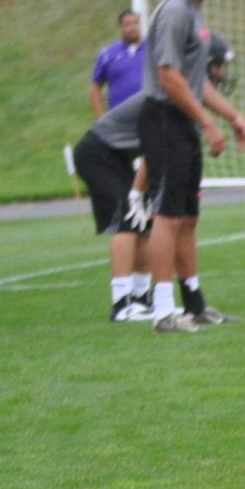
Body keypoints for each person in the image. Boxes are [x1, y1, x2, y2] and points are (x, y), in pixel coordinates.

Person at [138, 0, 245, 334]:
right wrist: (207, 122)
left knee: (188, 217)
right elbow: (169, 77)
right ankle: (162, 312)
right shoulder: (176, 12)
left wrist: (232, 116)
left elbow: (195, 81)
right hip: (165, 119)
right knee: (168, 217)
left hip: (181, 120)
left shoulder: (193, 11)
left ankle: (194, 303)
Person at [76, 90, 154, 321]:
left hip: (119, 155)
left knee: (144, 221)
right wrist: (137, 194)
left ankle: (141, 298)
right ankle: (122, 303)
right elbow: (153, 153)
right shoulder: (166, 98)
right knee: (128, 220)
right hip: (97, 153)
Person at [90, 9, 143, 116]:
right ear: (120, 27)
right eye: (128, 24)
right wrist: (101, 118)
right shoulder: (108, 54)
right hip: (119, 117)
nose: (133, 28)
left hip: (148, 116)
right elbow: (95, 87)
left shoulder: (151, 50)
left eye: (135, 23)